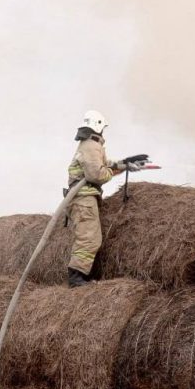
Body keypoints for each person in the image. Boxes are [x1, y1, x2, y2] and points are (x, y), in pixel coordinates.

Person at [65, 110, 145, 287]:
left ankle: (81, 275)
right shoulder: (91, 145)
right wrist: (113, 170)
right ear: (98, 126)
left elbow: (104, 165)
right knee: (89, 238)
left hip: (84, 198)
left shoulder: (91, 145)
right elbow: (97, 174)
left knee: (91, 237)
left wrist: (125, 163)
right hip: (83, 199)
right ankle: (76, 278)